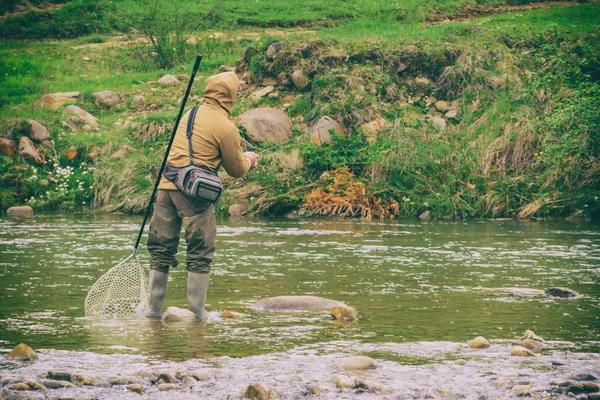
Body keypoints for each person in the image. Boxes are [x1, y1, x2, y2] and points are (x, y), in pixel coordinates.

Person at [145, 71, 259, 319]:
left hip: (165, 187)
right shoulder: (226, 127)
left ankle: (153, 311)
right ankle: (197, 313)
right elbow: (235, 169)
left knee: (161, 250)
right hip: (194, 194)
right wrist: (249, 160)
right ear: (229, 95)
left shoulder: (190, 113)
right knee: (200, 252)